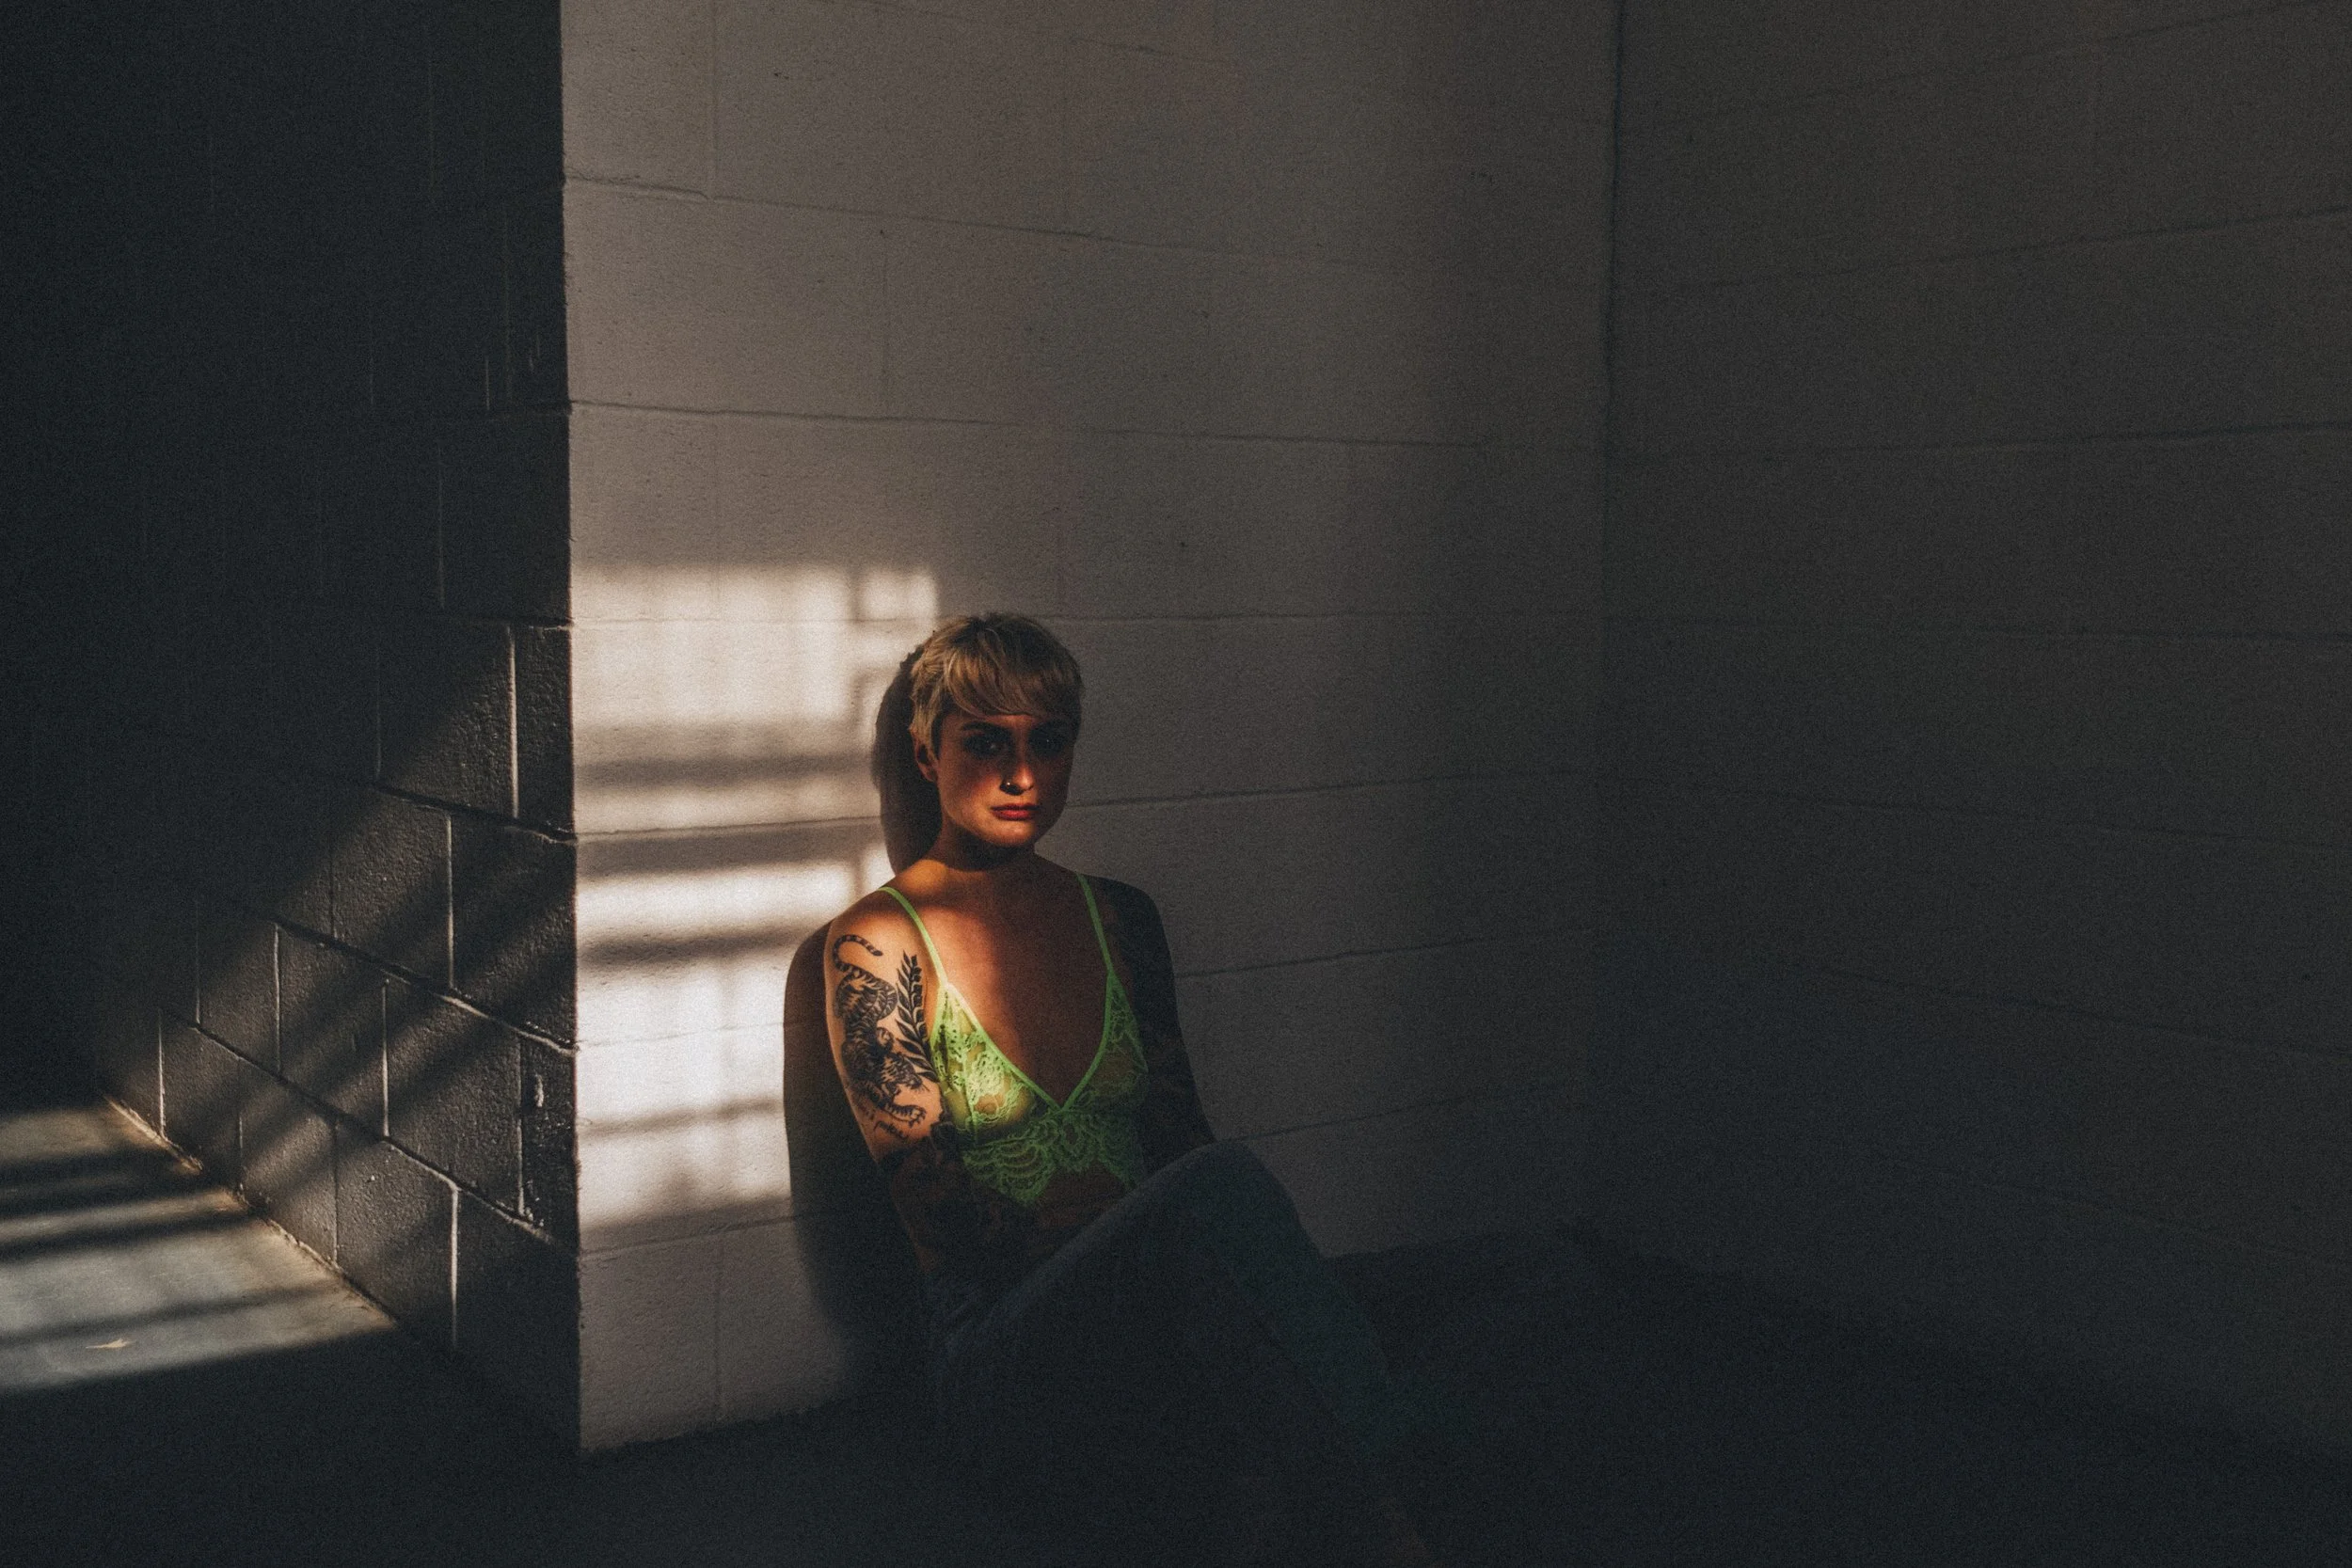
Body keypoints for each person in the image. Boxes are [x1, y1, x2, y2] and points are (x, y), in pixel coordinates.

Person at [821, 614, 1450, 1567]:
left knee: (1529, 1273)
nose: (1021, 773)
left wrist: (1198, 1279)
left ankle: (1302, 1463)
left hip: (1154, 1310)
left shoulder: (1121, 916)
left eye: (1048, 740)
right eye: (986, 742)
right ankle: (1381, 1500)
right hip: (999, 1351)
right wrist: (1145, 1251)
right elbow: (936, 1205)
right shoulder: (878, 942)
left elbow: (1177, 1129)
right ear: (923, 751)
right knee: (1221, 1194)